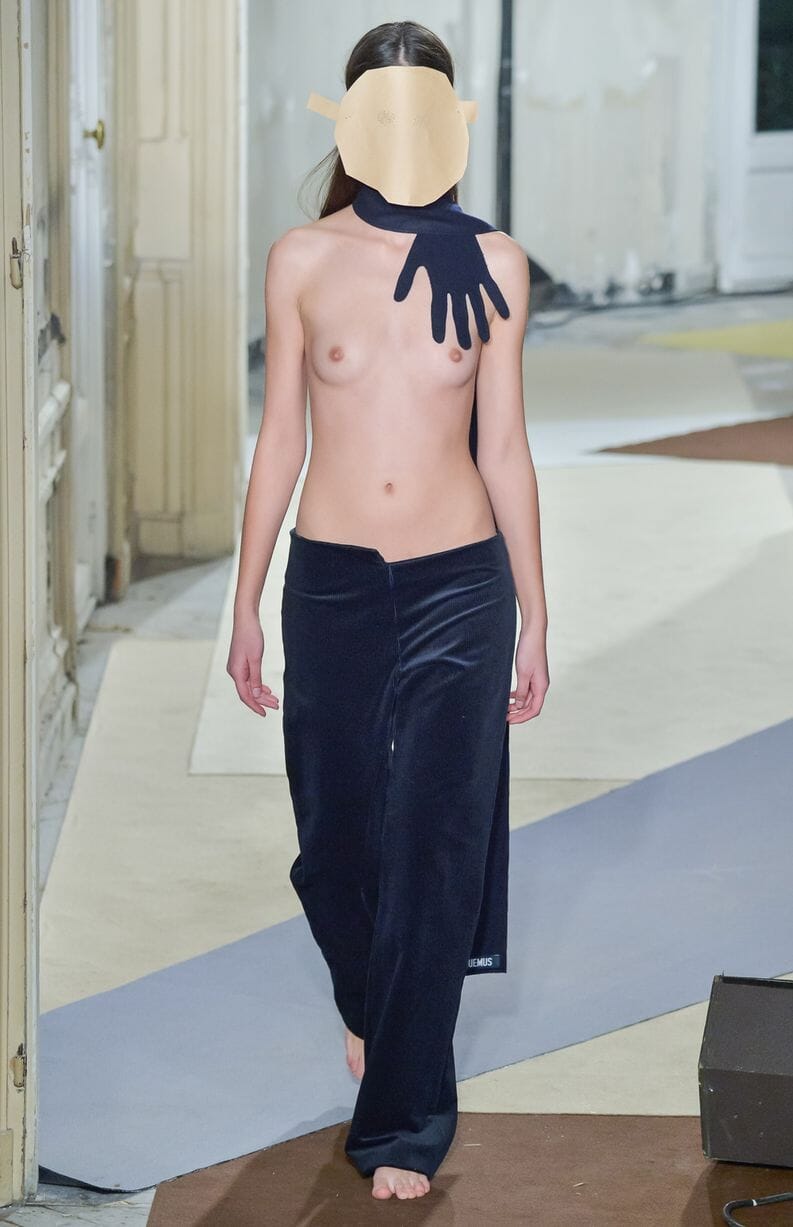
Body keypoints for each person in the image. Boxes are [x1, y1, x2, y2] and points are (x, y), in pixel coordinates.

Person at [227, 20, 549, 1203]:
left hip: (461, 582)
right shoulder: (302, 259)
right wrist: (246, 602)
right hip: (334, 583)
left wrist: (536, 610)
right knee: (337, 840)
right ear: (354, 119)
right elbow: (280, 438)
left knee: (436, 838)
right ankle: (370, 1001)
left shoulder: (495, 263)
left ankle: (406, 1122)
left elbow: (504, 447)